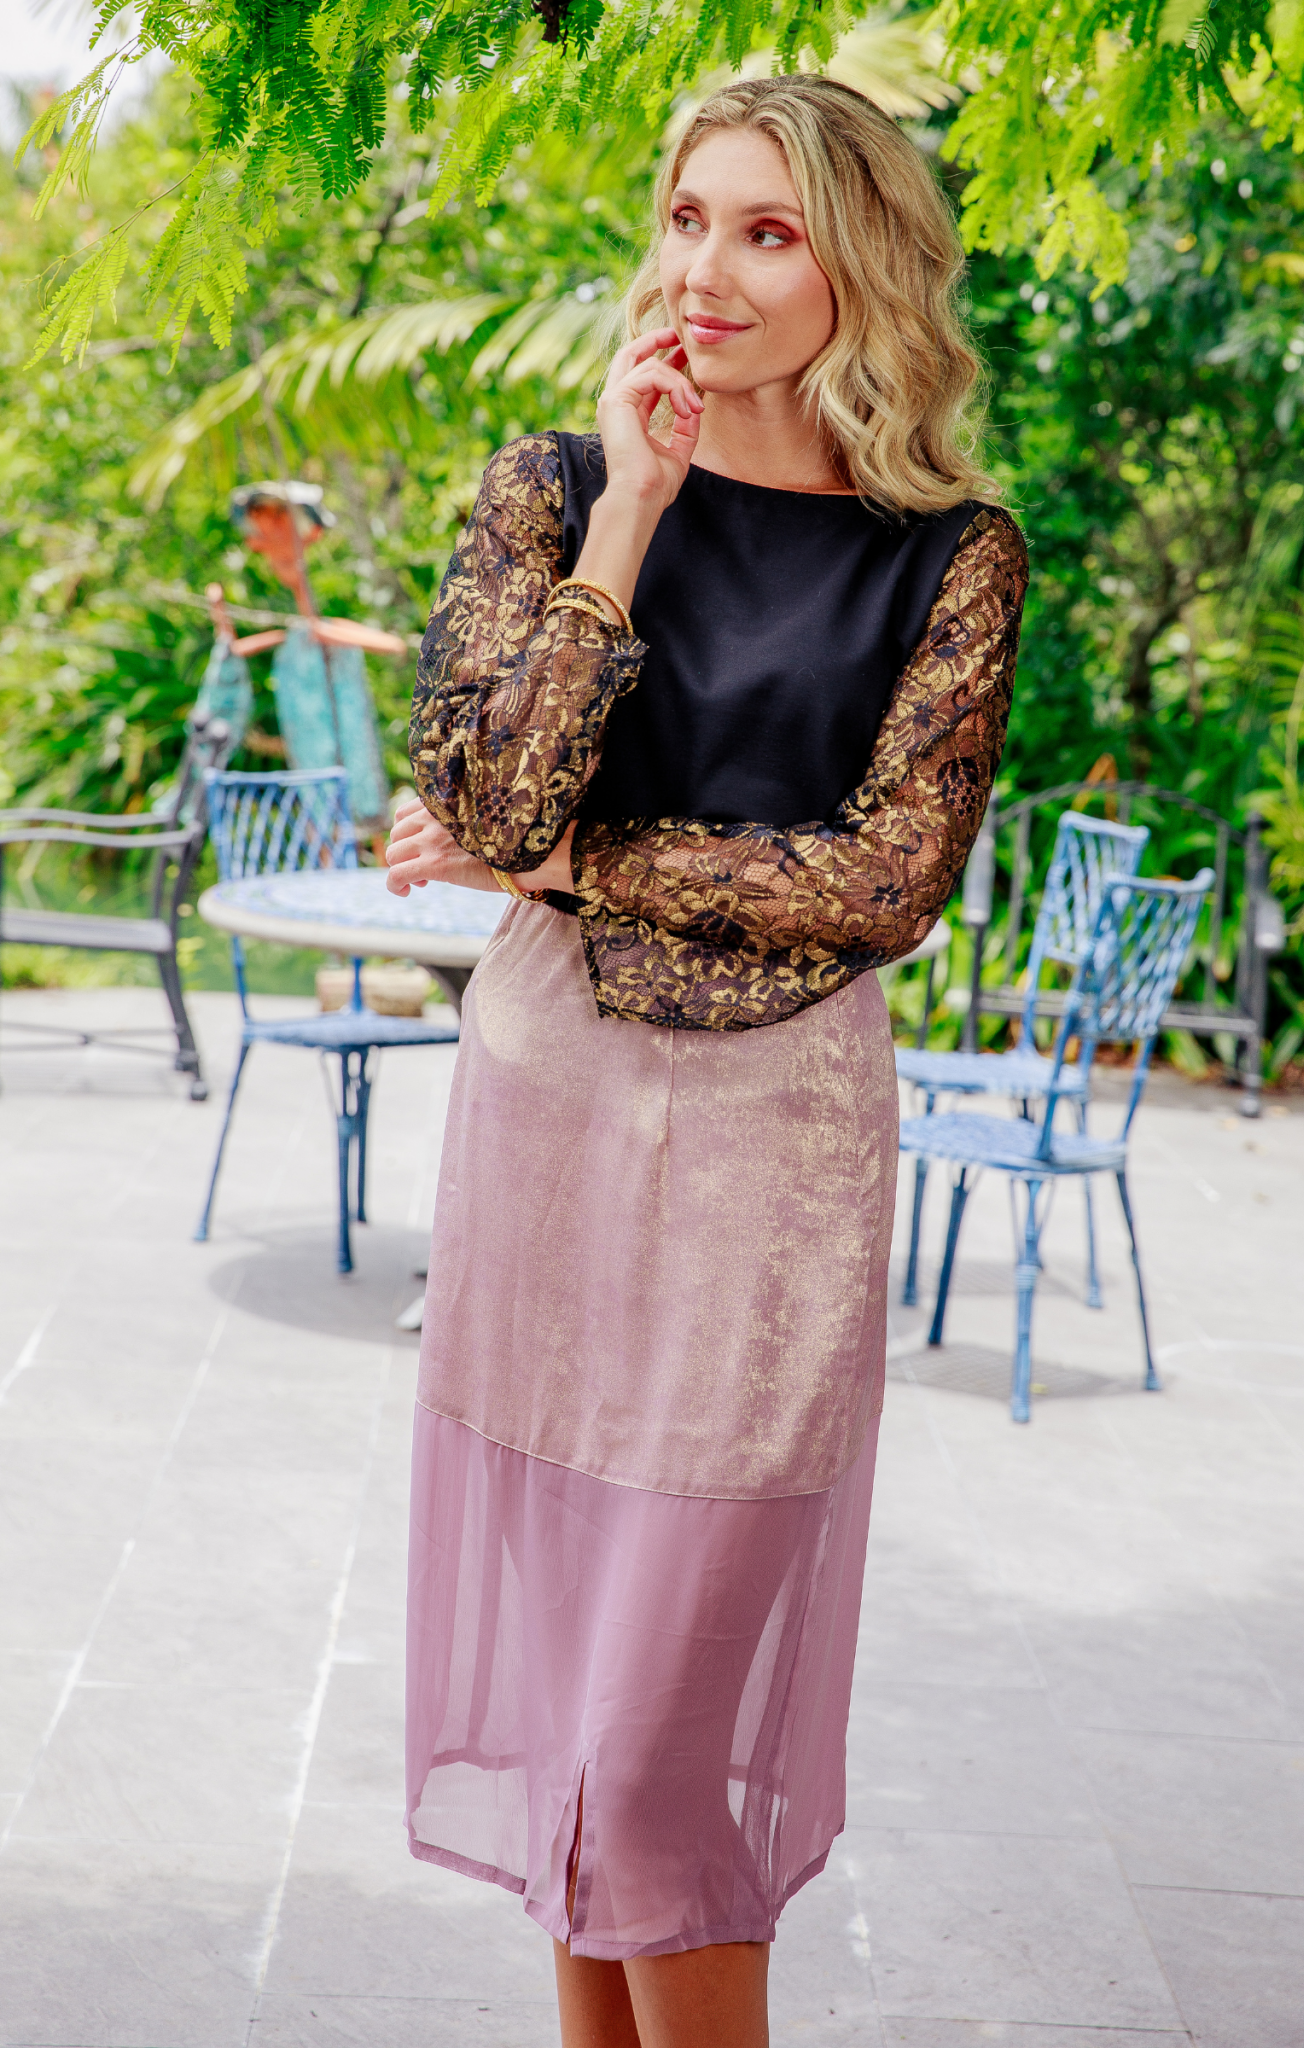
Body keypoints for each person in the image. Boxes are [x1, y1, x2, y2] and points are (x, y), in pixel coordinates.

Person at [383, 74, 1027, 2048]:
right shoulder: (552, 488)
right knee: (588, 1758)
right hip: (552, 1131)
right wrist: (635, 511)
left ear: (865, 266)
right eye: (688, 217)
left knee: (655, 1758)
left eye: (770, 230)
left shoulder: (954, 555)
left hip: (773, 1165)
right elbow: (477, 782)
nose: (713, 270)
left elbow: (887, 877)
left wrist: (573, 860)